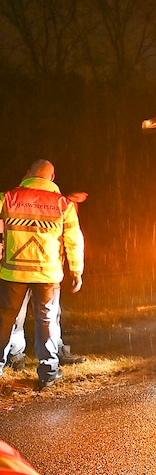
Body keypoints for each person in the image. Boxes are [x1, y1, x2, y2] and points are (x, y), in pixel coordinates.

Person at [0, 160, 84, 389]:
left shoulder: (7, 198)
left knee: (4, 322)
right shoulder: (63, 205)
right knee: (47, 322)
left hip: (13, 274)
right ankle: (48, 372)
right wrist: (76, 271)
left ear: (28, 173)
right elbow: (73, 241)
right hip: (48, 274)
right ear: (52, 178)